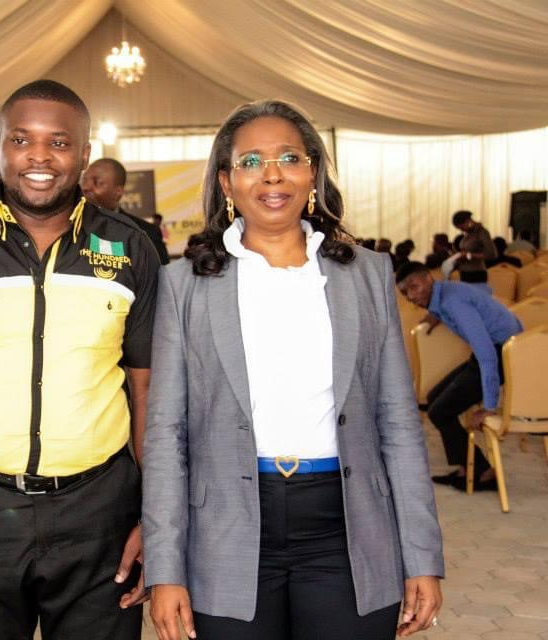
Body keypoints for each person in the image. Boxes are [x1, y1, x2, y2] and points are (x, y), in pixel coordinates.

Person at [142, 99, 443, 640]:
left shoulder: (368, 274)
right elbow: (166, 435)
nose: (272, 174)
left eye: (289, 158)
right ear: (227, 181)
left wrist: (422, 554)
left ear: (313, 172)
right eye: (251, 161)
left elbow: (398, 421)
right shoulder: (184, 284)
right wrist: (165, 569)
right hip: (225, 532)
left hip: (347, 528)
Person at [0, 79, 159, 639]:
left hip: (101, 515)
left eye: (58, 142)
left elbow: (147, 392)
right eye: (21, 140)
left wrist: (156, 518)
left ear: (84, 154)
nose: (39, 157)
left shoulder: (132, 248)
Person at [396, 262, 523, 492]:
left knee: (439, 411)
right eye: (405, 293)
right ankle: (468, 467)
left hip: (500, 356)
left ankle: (483, 472)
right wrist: (435, 314)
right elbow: (482, 296)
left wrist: (490, 406)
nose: (411, 296)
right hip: (499, 351)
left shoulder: (452, 302)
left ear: (428, 278)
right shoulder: (446, 294)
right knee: (433, 398)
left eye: (414, 287)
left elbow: (486, 353)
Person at [82, 157, 170, 264]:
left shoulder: (145, 234)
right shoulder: (69, 227)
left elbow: (160, 272)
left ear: (118, 191)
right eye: (84, 180)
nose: (86, 187)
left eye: (97, 182)